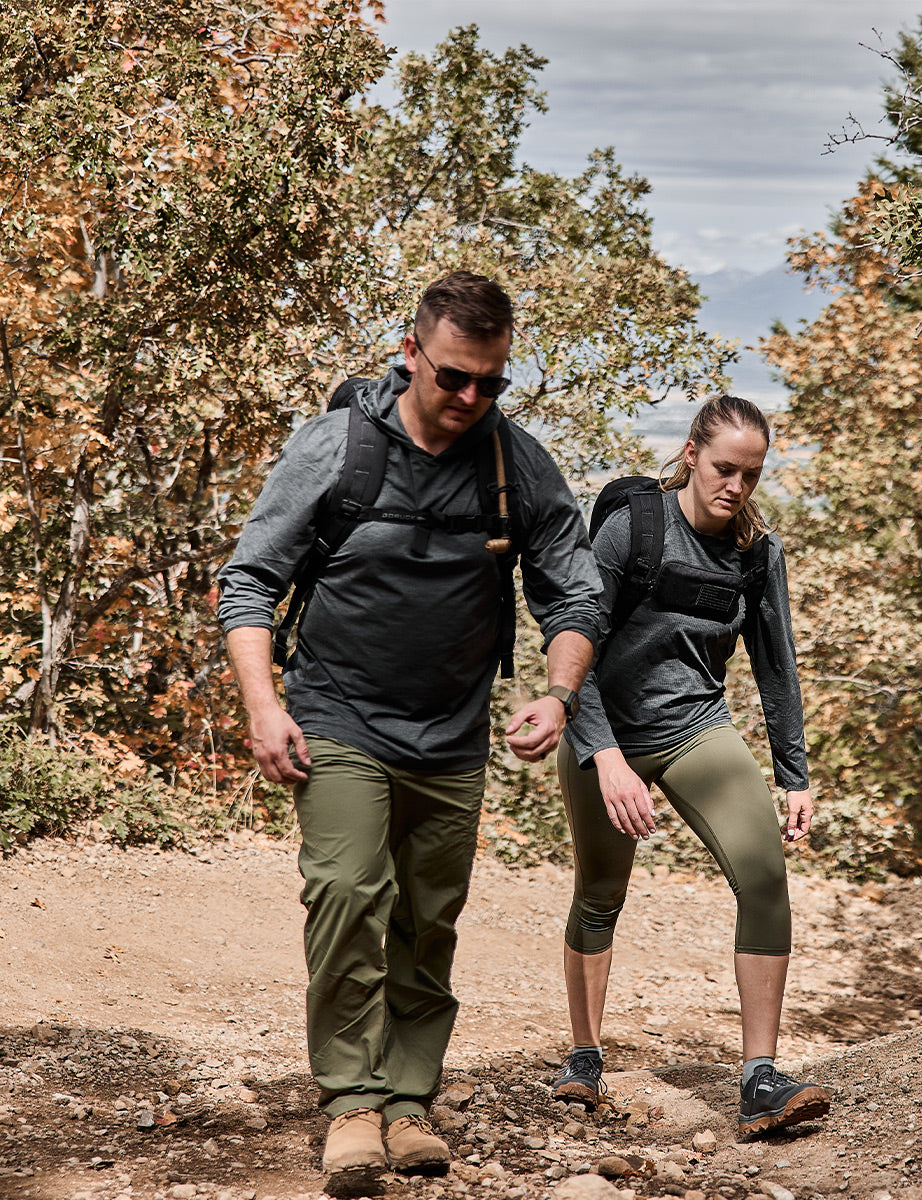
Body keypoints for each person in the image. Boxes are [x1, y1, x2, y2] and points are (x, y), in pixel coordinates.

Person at [217, 272, 601, 1181]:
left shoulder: (515, 462)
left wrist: (558, 691)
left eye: (492, 381)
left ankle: (408, 1098)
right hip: (338, 716)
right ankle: (351, 1103)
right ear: (411, 355)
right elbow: (249, 582)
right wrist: (263, 706)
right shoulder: (338, 447)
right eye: (454, 377)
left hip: (453, 733)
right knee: (350, 893)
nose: (471, 397)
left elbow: (575, 590)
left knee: (429, 919)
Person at [551, 394, 831, 1138]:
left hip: (695, 729)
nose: (735, 485)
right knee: (601, 889)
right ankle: (583, 1059)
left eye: (751, 473)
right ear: (689, 456)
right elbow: (573, 648)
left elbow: (778, 668)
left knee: (765, 876)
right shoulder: (631, 530)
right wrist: (605, 757)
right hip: (600, 729)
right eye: (723, 468)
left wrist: (794, 774)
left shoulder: (755, 553)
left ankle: (759, 1080)